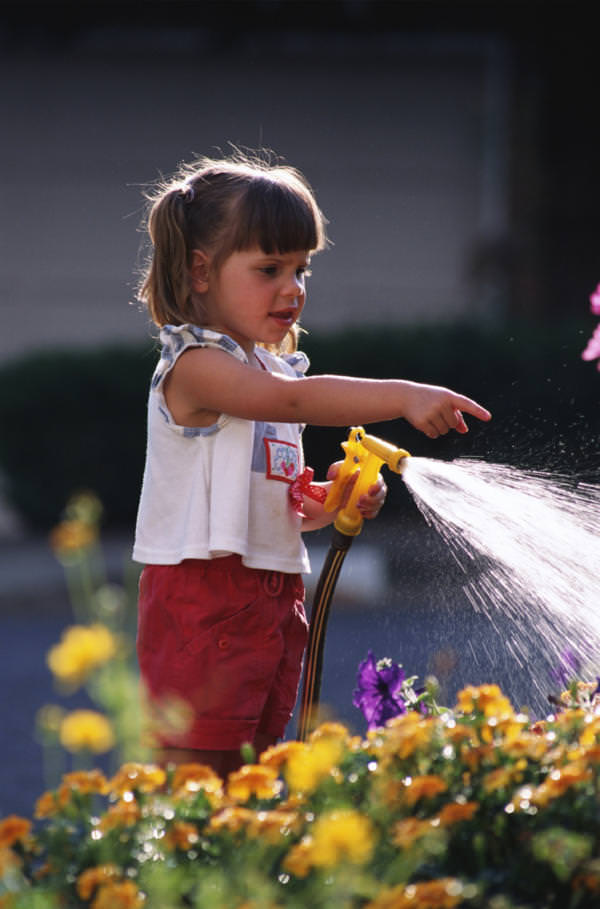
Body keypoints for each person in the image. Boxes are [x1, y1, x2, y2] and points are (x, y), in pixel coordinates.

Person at [132, 151, 491, 777]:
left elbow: (281, 505)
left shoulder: (267, 369)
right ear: (199, 271)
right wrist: (402, 397)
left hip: (272, 602)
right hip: (203, 603)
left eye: (301, 269)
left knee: (258, 771)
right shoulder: (195, 367)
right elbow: (293, 400)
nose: (292, 287)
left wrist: (332, 501)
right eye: (269, 268)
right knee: (198, 779)